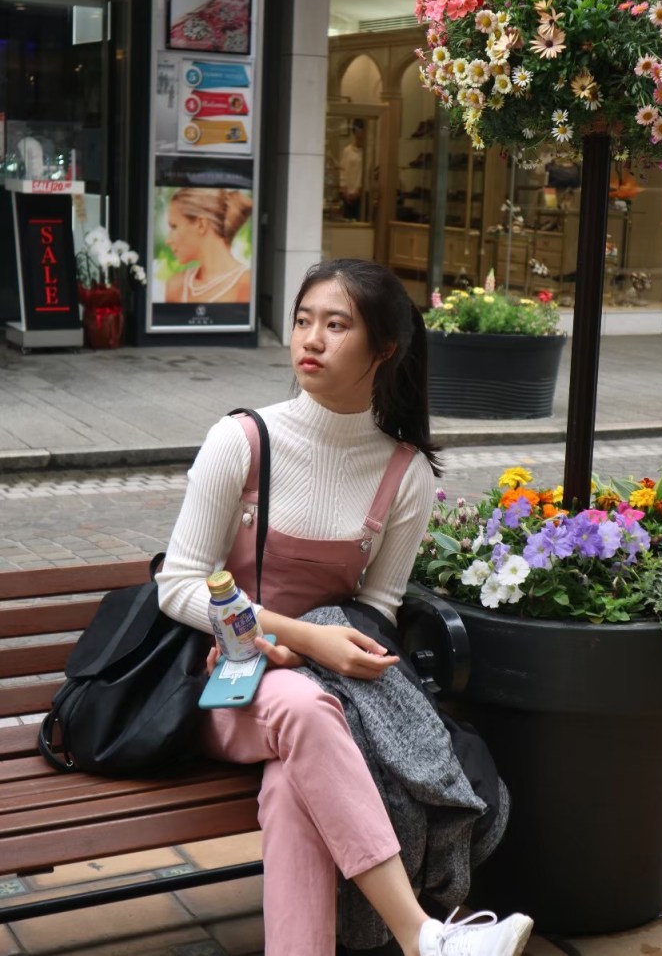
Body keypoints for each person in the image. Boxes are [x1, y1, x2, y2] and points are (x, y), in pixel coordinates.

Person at [158, 258, 533, 956]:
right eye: (303, 320)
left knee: (292, 787)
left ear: (383, 349)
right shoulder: (241, 442)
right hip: (222, 683)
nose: (311, 339)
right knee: (301, 708)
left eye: (336, 325)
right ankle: (420, 934)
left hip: (327, 701)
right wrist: (302, 638)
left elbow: (375, 610)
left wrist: (324, 652)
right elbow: (178, 584)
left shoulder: (403, 472)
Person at [164, 187, 252, 304]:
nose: (168, 241)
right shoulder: (175, 287)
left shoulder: (247, 285)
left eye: (174, 226)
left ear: (201, 225)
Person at [339, 120, 365, 220]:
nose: (361, 133)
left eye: (362, 130)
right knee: (347, 221)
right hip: (347, 193)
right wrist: (345, 190)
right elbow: (342, 170)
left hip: (360, 194)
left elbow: (366, 173)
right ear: (354, 132)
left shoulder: (366, 151)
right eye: (358, 130)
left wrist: (359, 190)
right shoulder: (347, 150)